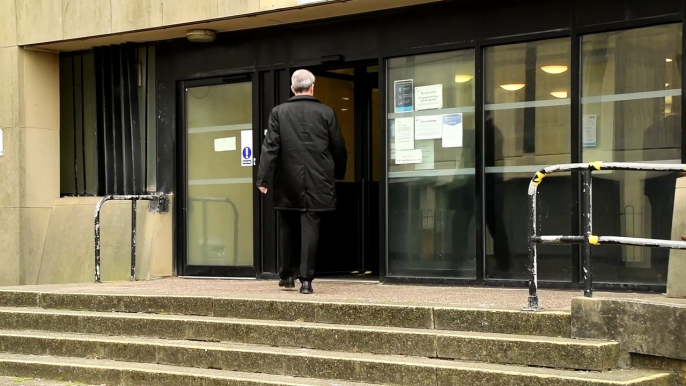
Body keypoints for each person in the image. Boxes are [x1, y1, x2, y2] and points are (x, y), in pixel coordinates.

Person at [256, 69, 347, 294]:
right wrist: (340, 172)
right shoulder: (326, 112)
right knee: (311, 226)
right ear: (312, 87)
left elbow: (270, 147)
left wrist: (263, 178)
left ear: (292, 88)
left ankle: (286, 275)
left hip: (287, 179)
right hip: (318, 179)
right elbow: (339, 147)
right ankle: (306, 281)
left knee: (286, 225)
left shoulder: (278, 112)